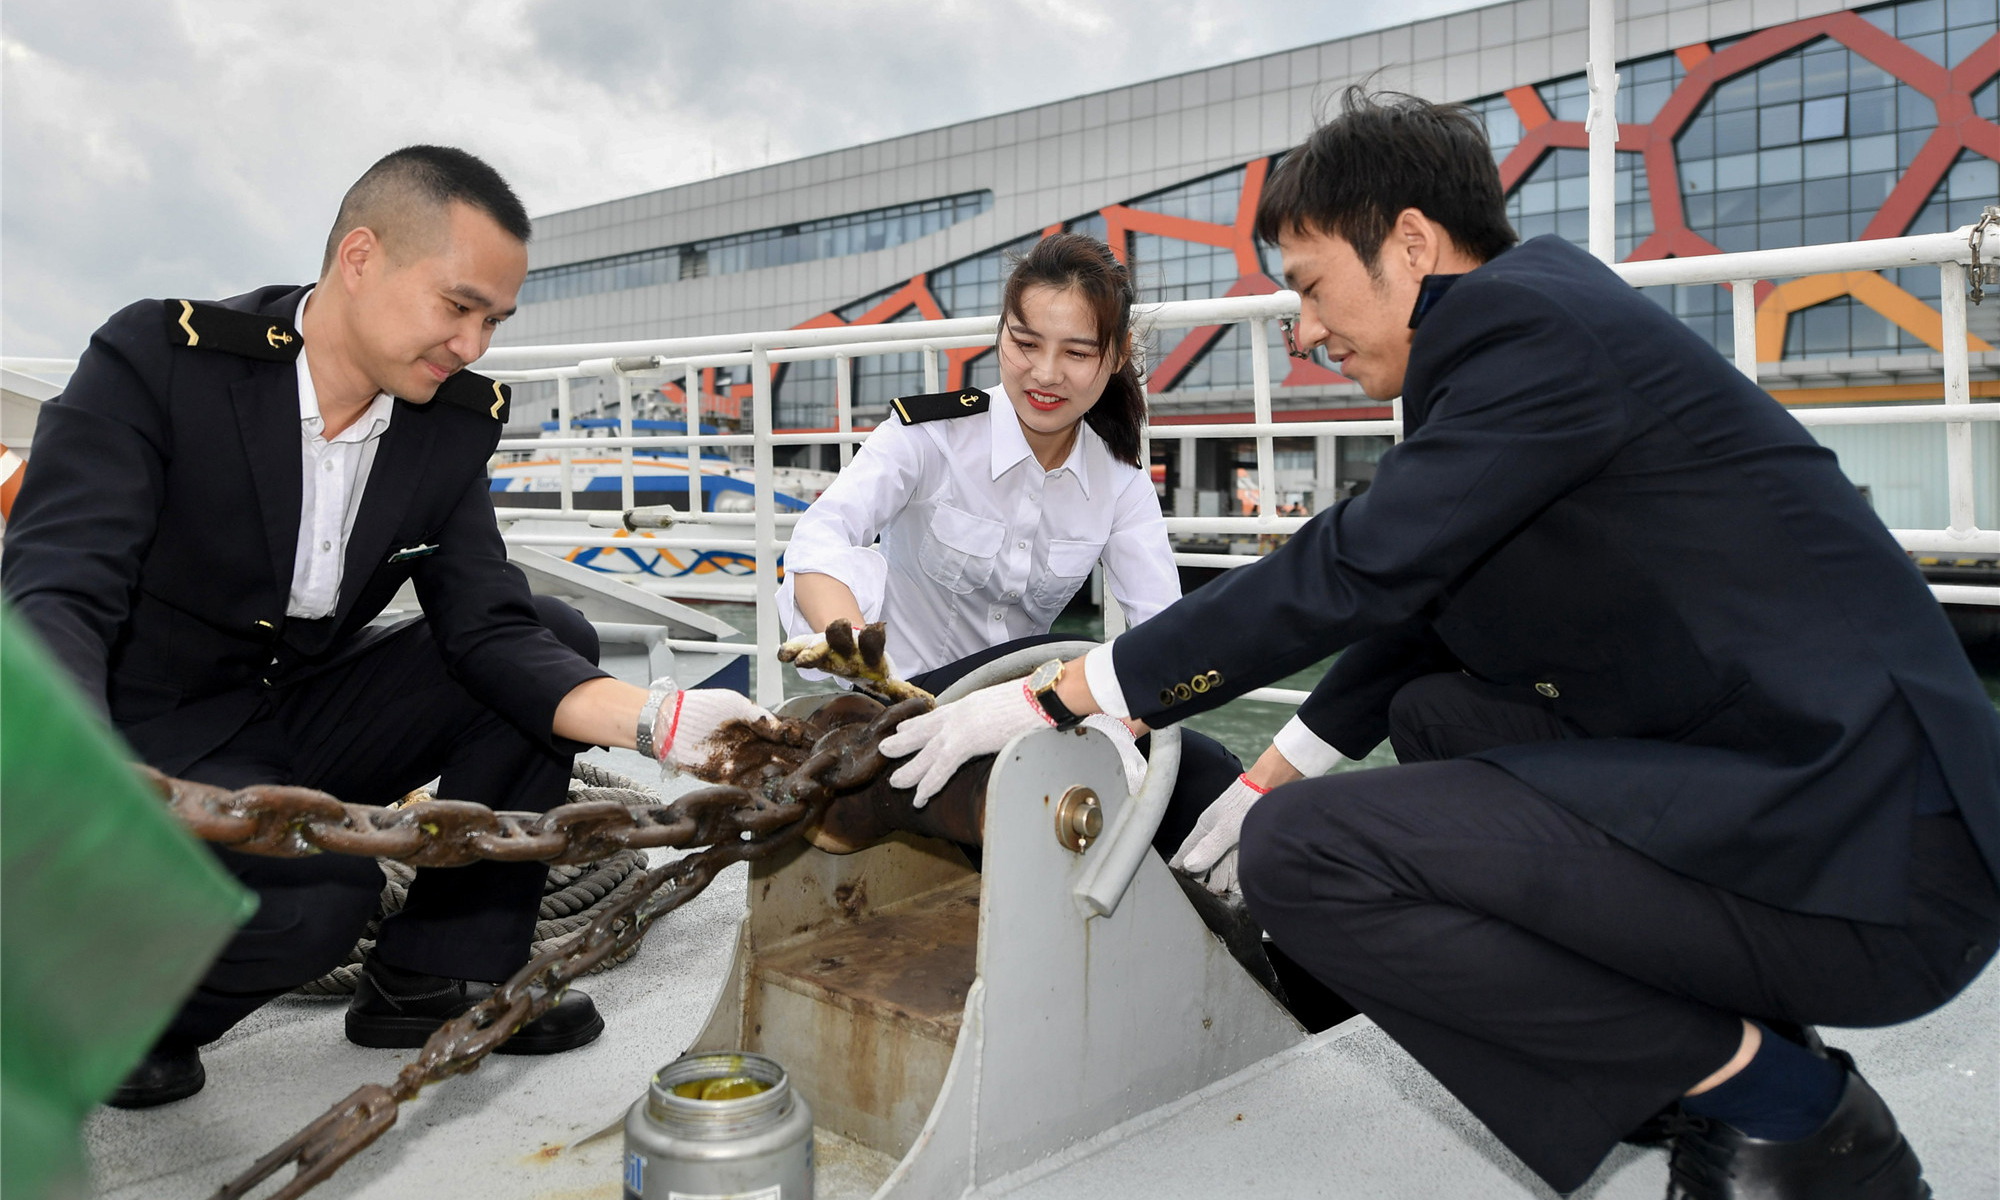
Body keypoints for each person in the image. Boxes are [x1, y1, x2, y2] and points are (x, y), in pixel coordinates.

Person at [877, 90, 1999, 1199]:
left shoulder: (1529, 332)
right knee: (1434, 715)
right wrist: (1271, 769)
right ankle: (1687, 1063)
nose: (1303, 330)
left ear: (1408, 243)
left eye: (1311, 287)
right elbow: (1420, 605)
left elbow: (1357, 564)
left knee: (1308, 858)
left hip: (1878, 861)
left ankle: (1775, 1099)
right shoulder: (1535, 324)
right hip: (1810, 793)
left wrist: (1062, 697)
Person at [2, 145, 769, 1108]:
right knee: (318, 902)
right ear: (359, 258)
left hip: (286, 710)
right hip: (143, 735)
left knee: (555, 631)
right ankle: (123, 1016)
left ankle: (437, 969)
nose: (475, 346)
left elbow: (487, 627)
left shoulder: (445, 421)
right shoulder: (164, 362)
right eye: (458, 307)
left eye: (494, 320)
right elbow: (61, 584)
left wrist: (664, 723)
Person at [776, 232, 1242, 854]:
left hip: (1037, 707)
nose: (1046, 374)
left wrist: (1122, 723)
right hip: (908, 700)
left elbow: (1165, 628)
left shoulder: (1120, 481)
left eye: (1077, 353)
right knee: (1054, 654)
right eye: (1025, 343)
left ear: (1116, 355)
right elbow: (822, 538)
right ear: (1000, 334)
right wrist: (853, 644)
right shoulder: (931, 433)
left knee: (1211, 777)